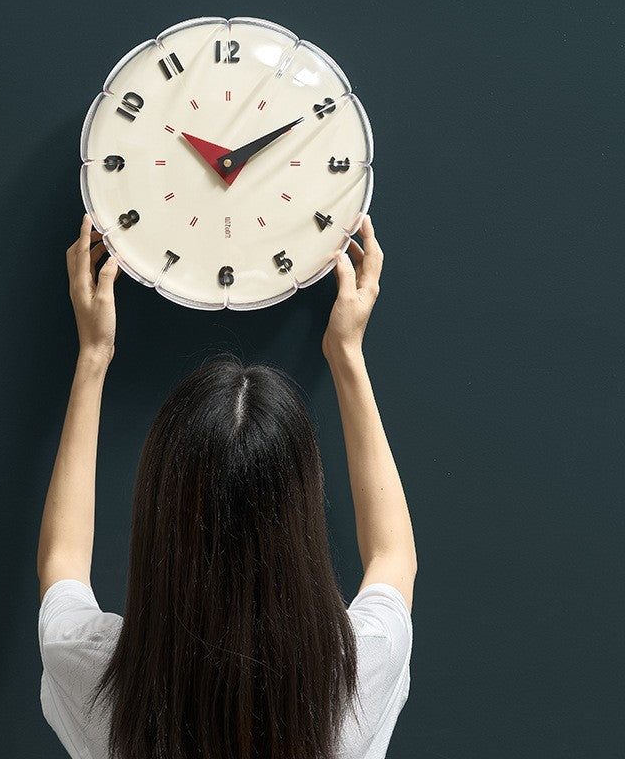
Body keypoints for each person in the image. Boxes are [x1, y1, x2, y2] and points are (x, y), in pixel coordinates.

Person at [37, 213, 417, 759]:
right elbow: (393, 555)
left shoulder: (93, 675)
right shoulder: (356, 675)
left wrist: (93, 356)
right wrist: (346, 354)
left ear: (157, 512)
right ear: (302, 520)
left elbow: (61, 559)